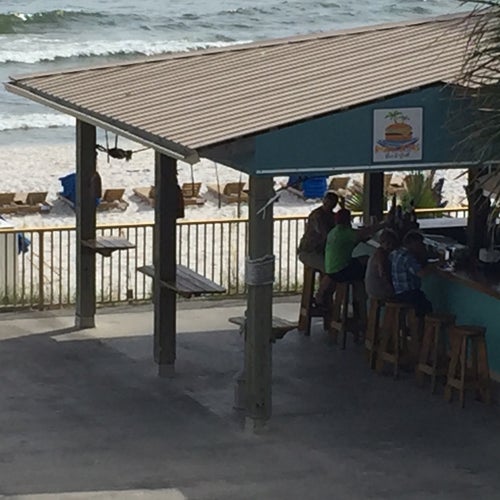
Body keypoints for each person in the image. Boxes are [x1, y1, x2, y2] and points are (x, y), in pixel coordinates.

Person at [315, 208, 386, 305]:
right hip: (341, 271)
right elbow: (366, 231)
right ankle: (365, 298)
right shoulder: (345, 233)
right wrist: (384, 224)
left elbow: (352, 240)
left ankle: (359, 299)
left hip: (331, 270)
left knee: (362, 260)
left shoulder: (333, 232)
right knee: (367, 261)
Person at [390, 230, 433, 317]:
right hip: (408, 293)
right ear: (412, 243)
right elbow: (421, 273)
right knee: (426, 309)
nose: (422, 246)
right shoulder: (408, 257)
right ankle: (418, 324)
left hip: (398, 292)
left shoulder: (397, 252)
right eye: (420, 244)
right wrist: (435, 266)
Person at [297, 191, 339, 273]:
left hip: (323, 251)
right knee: (330, 268)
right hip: (310, 251)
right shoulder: (317, 215)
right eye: (329, 202)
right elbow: (325, 233)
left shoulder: (332, 215)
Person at [365, 228, 399, 300]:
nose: (391, 246)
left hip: (371, 289)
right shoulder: (381, 254)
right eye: (388, 243)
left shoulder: (379, 253)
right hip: (378, 289)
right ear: (381, 243)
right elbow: (382, 273)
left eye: (393, 244)